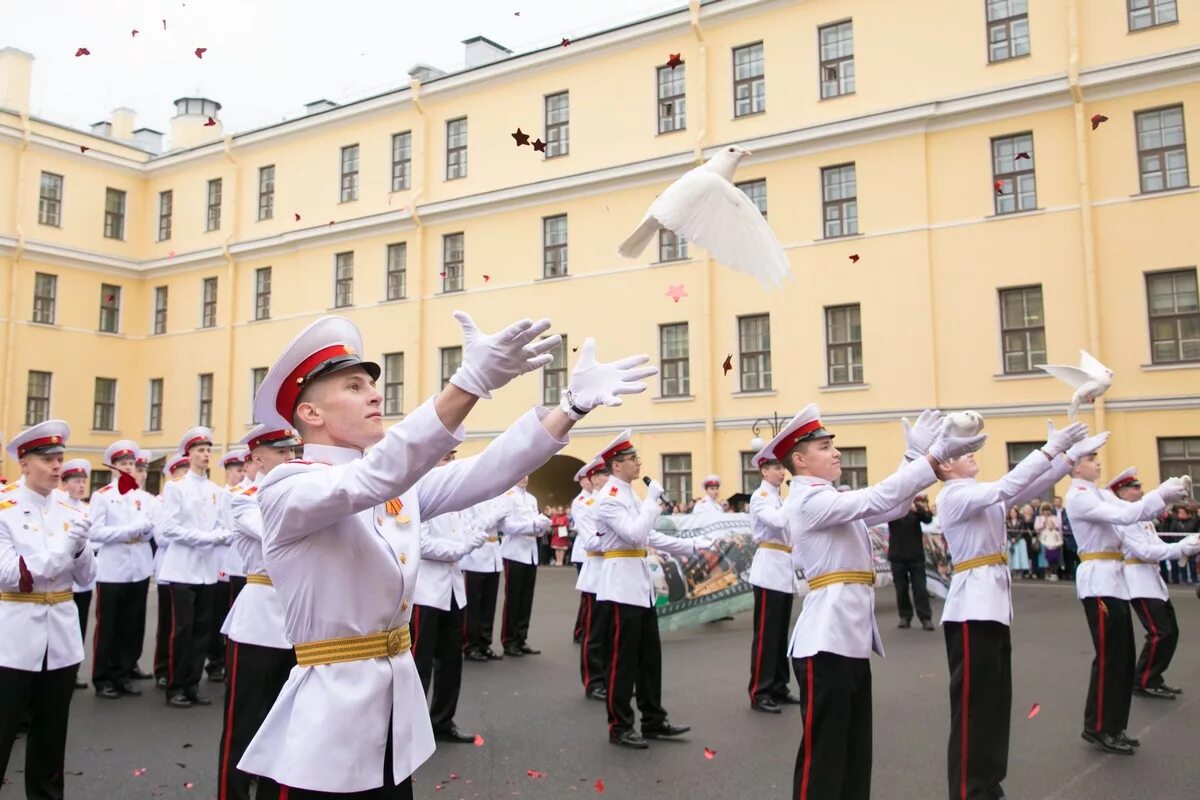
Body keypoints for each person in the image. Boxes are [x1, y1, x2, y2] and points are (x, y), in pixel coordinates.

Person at [238, 319, 654, 798]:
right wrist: (468, 383)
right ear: (310, 413)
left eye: (373, 384)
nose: (376, 395)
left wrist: (570, 407)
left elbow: (486, 472)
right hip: (328, 719)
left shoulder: (390, 483)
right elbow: (373, 479)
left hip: (390, 707)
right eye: (355, 386)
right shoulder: (289, 485)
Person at [761, 404, 985, 800]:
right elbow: (878, 496)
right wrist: (930, 459)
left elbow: (892, 505)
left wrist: (915, 457)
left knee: (853, 751)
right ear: (799, 460)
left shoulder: (830, 497)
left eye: (833, 445)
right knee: (825, 756)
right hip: (824, 641)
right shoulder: (808, 501)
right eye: (825, 446)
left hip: (847, 638)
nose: (836, 453)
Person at [934, 417, 1091, 800]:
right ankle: (969, 790)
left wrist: (1066, 460)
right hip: (971, 610)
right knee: (973, 708)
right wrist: (1049, 450)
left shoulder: (979, 491)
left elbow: (1024, 487)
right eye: (960, 452)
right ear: (944, 466)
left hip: (991, 607)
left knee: (994, 704)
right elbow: (1010, 485)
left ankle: (988, 782)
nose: (970, 454)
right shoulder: (954, 495)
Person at [1065, 447, 1191, 754]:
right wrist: (1162, 492)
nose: (1096, 463)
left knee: (1122, 658)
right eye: (1089, 459)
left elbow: (1137, 512)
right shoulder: (1080, 495)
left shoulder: (1100, 495)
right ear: (1075, 468)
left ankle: (1113, 725)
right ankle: (1097, 726)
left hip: (1114, 581)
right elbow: (1125, 514)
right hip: (1099, 586)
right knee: (1109, 655)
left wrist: (1167, 496)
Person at [0, 421, 97, 800]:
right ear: (24, 464)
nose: (57, 467)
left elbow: (87, 576)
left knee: (52, 734)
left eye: (60, 459)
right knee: (4, 728)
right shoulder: (5, 510)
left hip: (60, 635)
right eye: (47, 459)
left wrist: (81, 548)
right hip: (15, 636)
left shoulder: (68, 508)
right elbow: (12, 575)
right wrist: (64, 549)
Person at [594, 430, 709, 749]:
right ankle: (619, 725)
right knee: (623, 660)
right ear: (617, 466)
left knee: (649, 658)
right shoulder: (609, 499)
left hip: (639, 584)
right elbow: (634, 534)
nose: (638, 463)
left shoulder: (629, 496)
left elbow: (650, 537)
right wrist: (650, 502)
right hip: (619, 586)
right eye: (632, 459)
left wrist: (690, 546)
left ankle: (653, 719)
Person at [218, 425, 302, 800]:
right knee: (244, 721)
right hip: (258, 620)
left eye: (292, 452)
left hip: (299, 619)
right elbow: (277, 538)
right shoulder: (243, 498)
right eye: (280, 453)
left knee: (286, 724)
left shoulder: (303, 495)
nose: (290, 459)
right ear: (256, 459)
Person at [410, 448, 492, 744]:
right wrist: (460, 548)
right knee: (418, 665)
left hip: (454, 589)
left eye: (452, 457)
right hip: (426, 591)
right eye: (445, 457)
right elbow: (421, 543)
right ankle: (411, 729)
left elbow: (469, 528)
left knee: (450, 663)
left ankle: (442, 722)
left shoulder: (456, 499)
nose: (449, 463)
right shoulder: (417, 491)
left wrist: (470, 537)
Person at [158, 426, 235, 708]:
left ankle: (192, 684)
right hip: (181, 569)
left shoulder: (217, 492)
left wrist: (214, 537)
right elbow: (168, 527)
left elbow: (226, 528)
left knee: (203, 629)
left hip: (207, 570)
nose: (205, 455)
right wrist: (205, 538)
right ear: (188, 454)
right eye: (200, 450)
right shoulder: (175, 487)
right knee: (183, 629)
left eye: (207, 450)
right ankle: (176, 685)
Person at [1107, 468, 1198, 701]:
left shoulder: (1142, 518)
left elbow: (1155, 543)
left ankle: (1152, 678)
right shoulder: (1124, 519)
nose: (1141, 490)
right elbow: (1144, 550)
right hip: (1138, 580)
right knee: (1161, 632)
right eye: (1136, 487)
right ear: (1122, 492)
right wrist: (1181, 548)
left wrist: (1185, 546)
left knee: (1170, 632)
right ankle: (1144, 680)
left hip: (1152, 578)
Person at [87, 439, 155, 700]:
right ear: (113, 467)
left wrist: (145, 529)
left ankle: (124, 673)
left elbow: (151, 529)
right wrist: (128, 531)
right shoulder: (103, 496)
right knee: (109, 626)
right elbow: (95, 531)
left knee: (132, 624)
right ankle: (103, 676)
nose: (128, 467)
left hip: (138, 566)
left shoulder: (141, 496)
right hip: (113, 568)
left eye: (131, 463)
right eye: (123, 464)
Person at [746, 450, 798, 713]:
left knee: (779, 634)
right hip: (768, 568)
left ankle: (778, 685)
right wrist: (796, 496)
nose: (782, 472)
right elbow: (777, 522)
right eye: (776, 468)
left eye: (782, 467)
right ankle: (760, 690)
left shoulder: (778, 497)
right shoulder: (761, 497)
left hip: (783, 568)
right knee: (766, 635)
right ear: (764, 471)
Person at [208, 449, 248, 684]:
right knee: (219, 614)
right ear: (227, 472)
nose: (240, 474)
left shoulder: (242, 493)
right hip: (223, 560)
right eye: (236, 471)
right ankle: (216, 660)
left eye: (243, 470)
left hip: (238, 561)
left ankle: (224, 660)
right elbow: (222, 527)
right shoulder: (226, 495)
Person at [499, 476, 551, 657]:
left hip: (530, 551)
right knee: (513, 598)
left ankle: (521, 638)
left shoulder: (532, 499)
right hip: (514, 551)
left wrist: (542, 526)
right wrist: (532, 524)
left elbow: (536, 525)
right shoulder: (508, 495)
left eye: (528, 473)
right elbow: (506, 526)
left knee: (526, 599)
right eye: (522, 473)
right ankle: (509, 640)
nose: (525, 477)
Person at [152, 451, 190, 689]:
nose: (185, 476)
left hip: (186, 566)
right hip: (168, 567)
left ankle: (179, 670)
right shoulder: (163, 501)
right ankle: (162, 668)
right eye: (181, 472)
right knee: (168, 624)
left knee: (184, 625)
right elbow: (162, 536)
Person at [573, 457, 610, 700]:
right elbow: (591, 542)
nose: (608, 478)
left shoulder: (615, 501)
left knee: (610, 632)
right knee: (594, 633)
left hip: (615, 575)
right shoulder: (586, 505)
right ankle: (593, 681)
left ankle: (609, 676)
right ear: (595, 478)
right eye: (604, 475)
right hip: (596, 573)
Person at [60, 459, 94, 690]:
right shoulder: (59, 506)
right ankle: (61, 672)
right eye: (76, 481)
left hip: (83, 580)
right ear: (64, 484)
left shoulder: (88, 509)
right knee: (61, 629)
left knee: (78, 627)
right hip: (64, 581)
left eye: (83, 481)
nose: (81, 486)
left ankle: (73, 671)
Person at [461, 495, 506, 662]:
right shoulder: (472, 498)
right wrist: (494, 517)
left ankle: (484, 643)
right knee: (474, 605)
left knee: (489, 604)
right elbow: (471, 526)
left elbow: (504, 527)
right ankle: (470, 644)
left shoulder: (496, 498)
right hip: (476, 556)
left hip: (493, 553)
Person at [887, 494, 935, 631]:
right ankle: (905, 616)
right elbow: (883, 515)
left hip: (916, 556)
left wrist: (916, 509)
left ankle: (925, 618)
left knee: (920, 588)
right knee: (901, 588)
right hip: (897, 556)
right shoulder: (893, 510)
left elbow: (928, 519)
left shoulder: (916, 509)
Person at [569, 468, 594, 643]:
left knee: (594, 592)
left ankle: (590, 627)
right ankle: (581, 629)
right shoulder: (581, 500)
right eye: (587, 479)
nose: (590, 482)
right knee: (587, 592)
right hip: (584, 549)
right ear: (581, 481)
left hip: (594, 549)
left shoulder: (598, 497)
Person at [1038, 503, 1064, 581]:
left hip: (1055, 548)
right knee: (1048, 561)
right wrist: (1046, 544)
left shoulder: (1056, 532)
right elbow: (1042, 538)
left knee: (1055, 562)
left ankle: (1054, 574)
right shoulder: (1044, 532)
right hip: (1047, 547)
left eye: (1048, 510)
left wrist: (1057, 545)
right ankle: (1048, 573)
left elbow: (1060, 540)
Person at [1006, 507, 1030, 578]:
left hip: (1019, 541)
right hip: (1010, 541)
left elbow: (1022, 531)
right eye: (1011, 512)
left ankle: (1019, 571)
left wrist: (1016, 539)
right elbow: (1006, 532)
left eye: (1014, 512)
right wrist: (1011, 539)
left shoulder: (1021, 521)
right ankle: (1010, 571)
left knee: (1019, 556)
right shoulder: (1007, 522)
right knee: (1010, 556)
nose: (1013, 514)